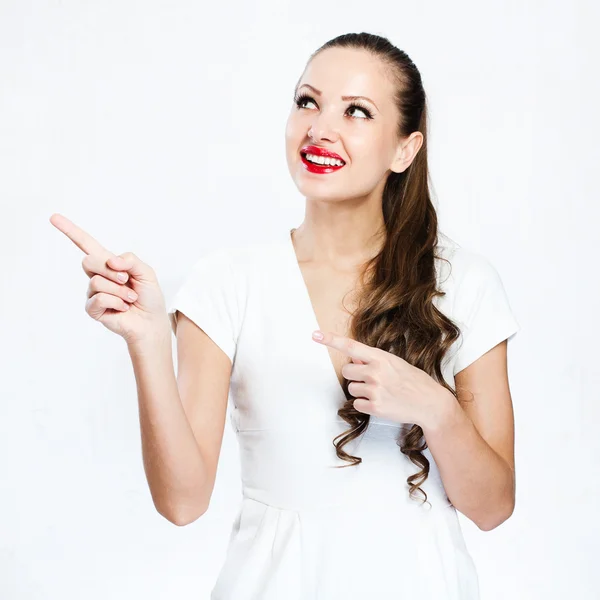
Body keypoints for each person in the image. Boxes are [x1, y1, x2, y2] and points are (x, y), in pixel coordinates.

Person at [51, 31, 521, 600]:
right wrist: (147, 340)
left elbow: (494, 507)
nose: (321, 128)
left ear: (405, 149)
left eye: (356, 111)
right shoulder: (227, 282)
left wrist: (435, 409)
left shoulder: (463, 283)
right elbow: (182, 502)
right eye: (307, 102)